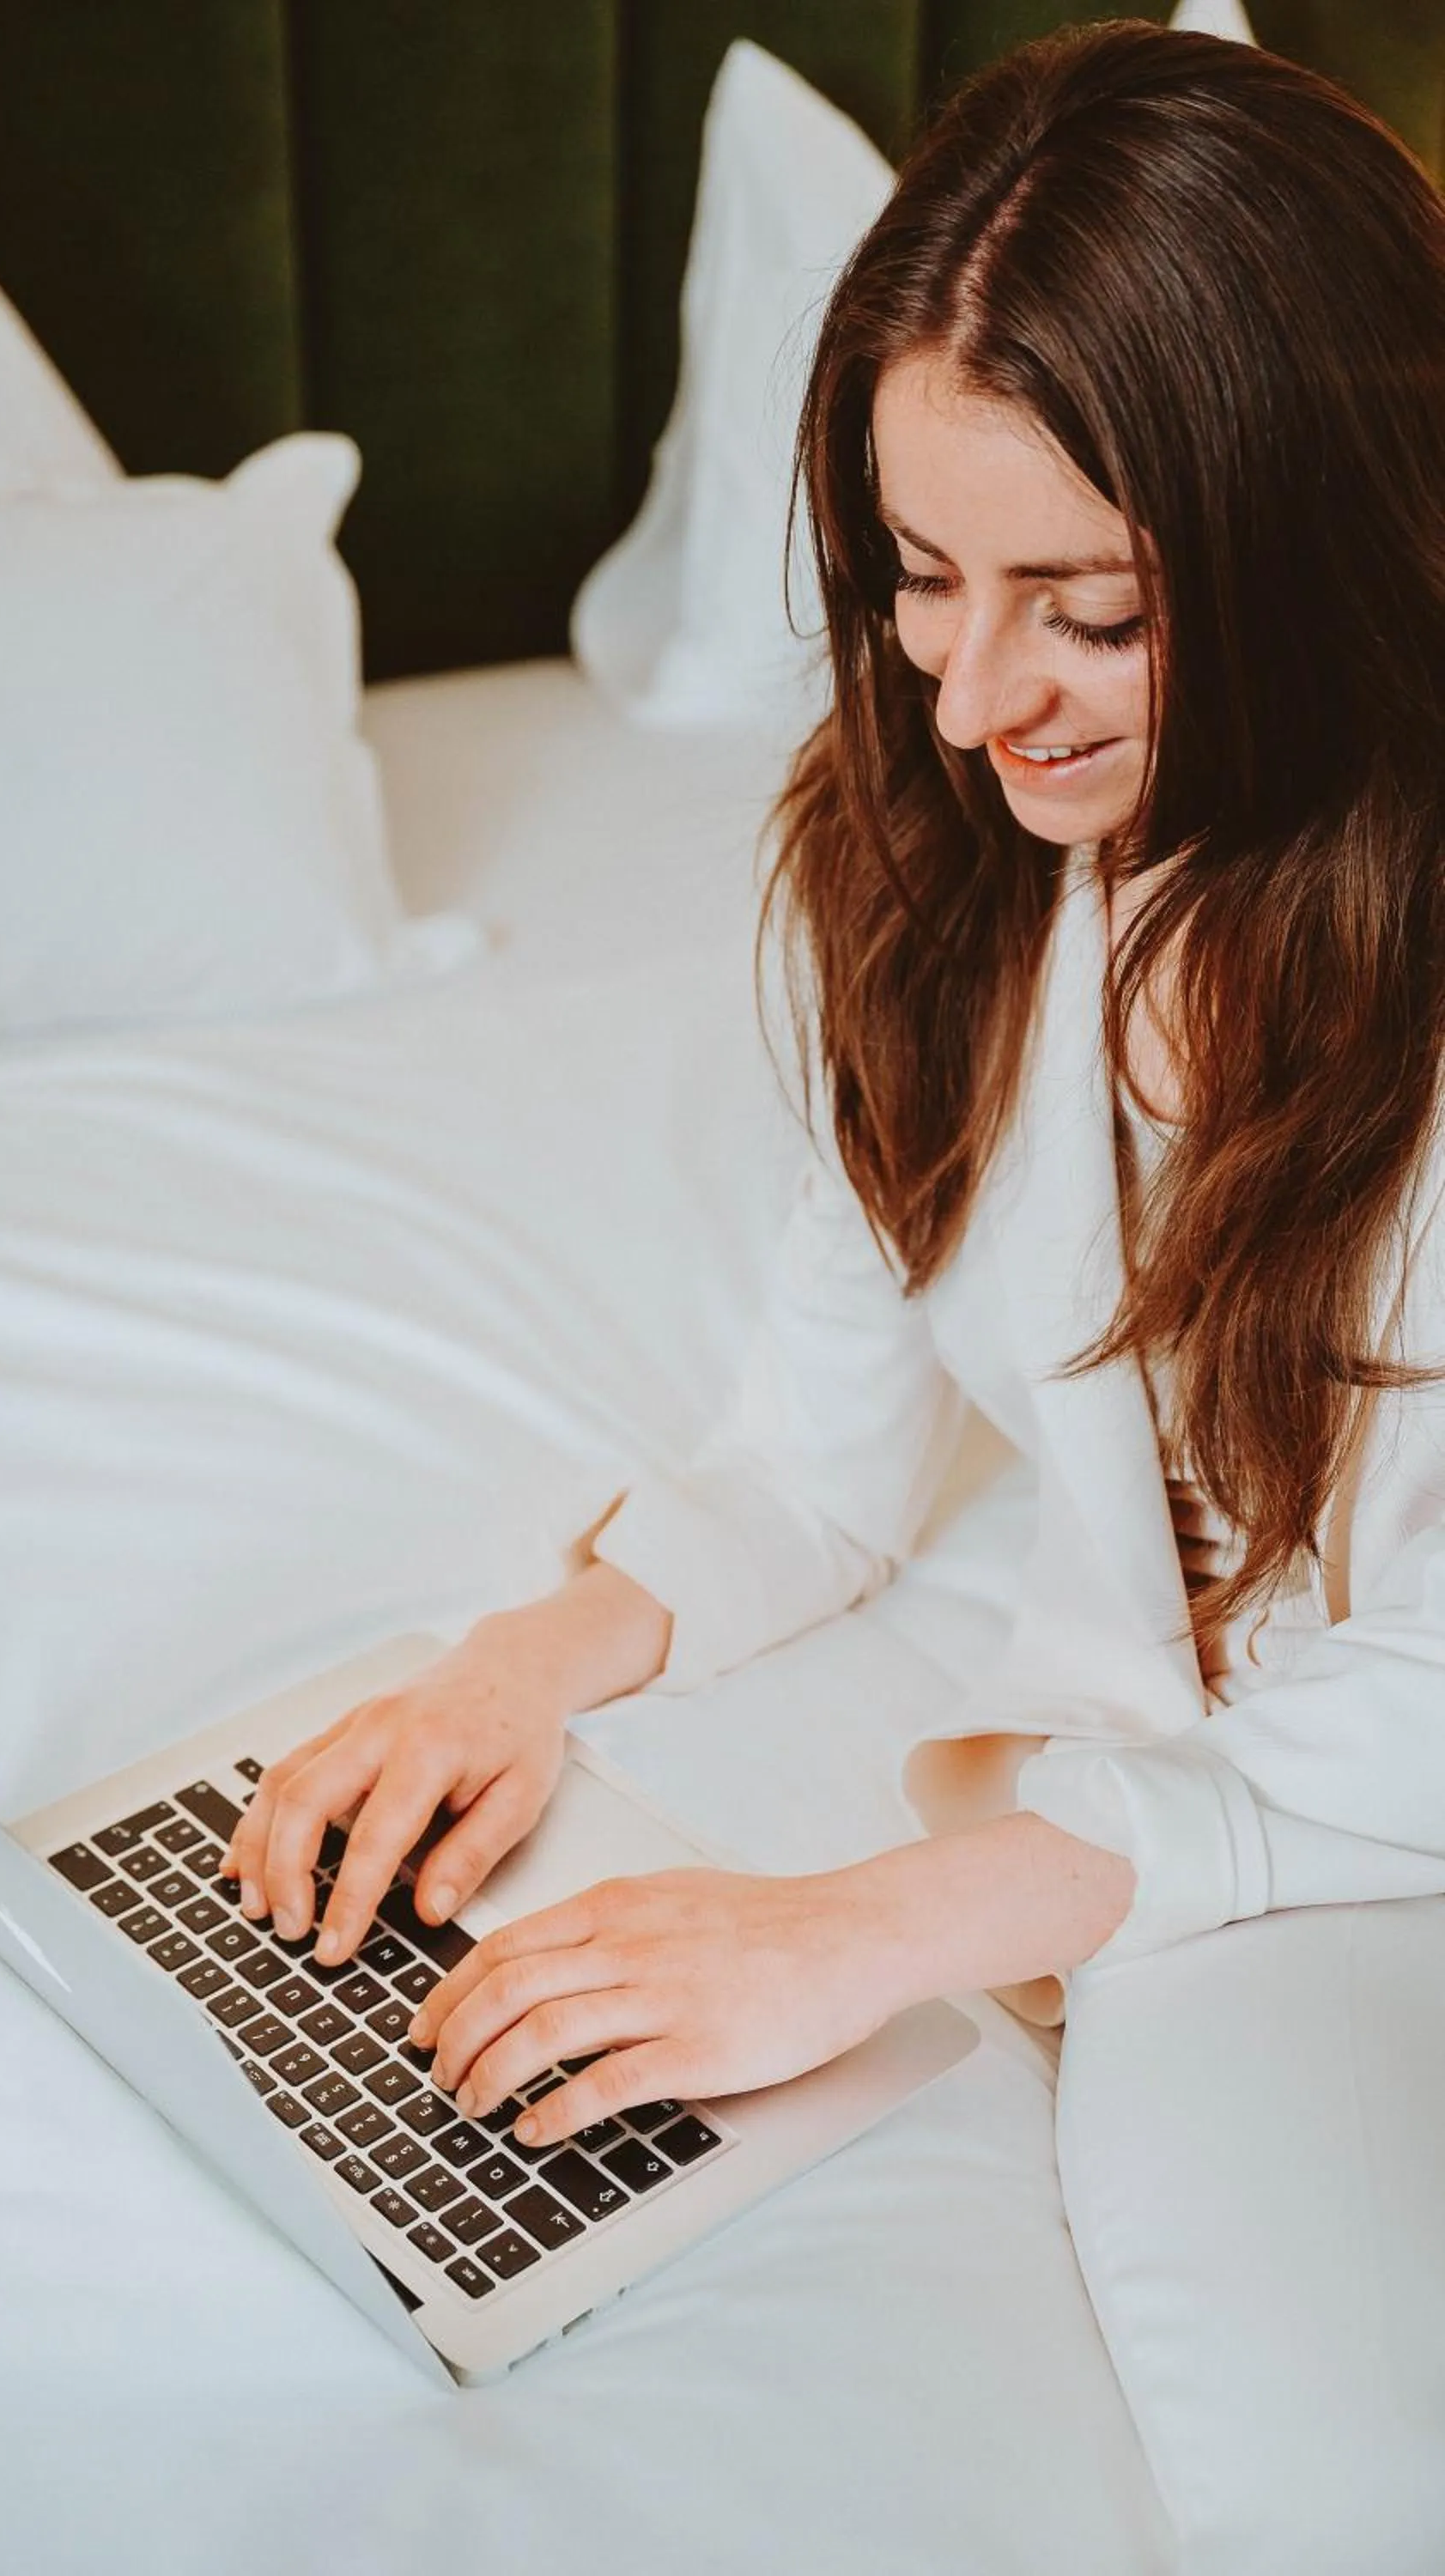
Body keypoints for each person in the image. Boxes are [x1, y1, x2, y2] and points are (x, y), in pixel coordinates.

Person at [222, 21, 1445, 2160]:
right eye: (918, 579)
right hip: (1154, 1816)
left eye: (1090, 612)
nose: (970, 704)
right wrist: (519, 1665)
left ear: (1321, 556)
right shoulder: (936, 875)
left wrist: (860, 1929)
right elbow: (817, 1462)